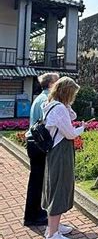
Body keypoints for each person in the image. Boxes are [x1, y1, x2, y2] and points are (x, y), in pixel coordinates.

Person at [42, 77, 86, 239]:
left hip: (55, 151)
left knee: (54, 187)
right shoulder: (59, 108)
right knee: (59, 188)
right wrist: (82, 128)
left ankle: (53, 227)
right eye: (72, 94)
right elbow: (70, 133)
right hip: (61, 151)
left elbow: (71, 115)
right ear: (67, 92)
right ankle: (52, 236)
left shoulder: (53, 104)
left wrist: (67, 105)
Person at [24, 73, 59, 226]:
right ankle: (33, 216)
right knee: (38, 182)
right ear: (51, 84)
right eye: (57, 82)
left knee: (36, 181)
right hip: (39, 144)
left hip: (33, 143)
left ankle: (35, 213)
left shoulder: (39, 98)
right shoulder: (47, 100)